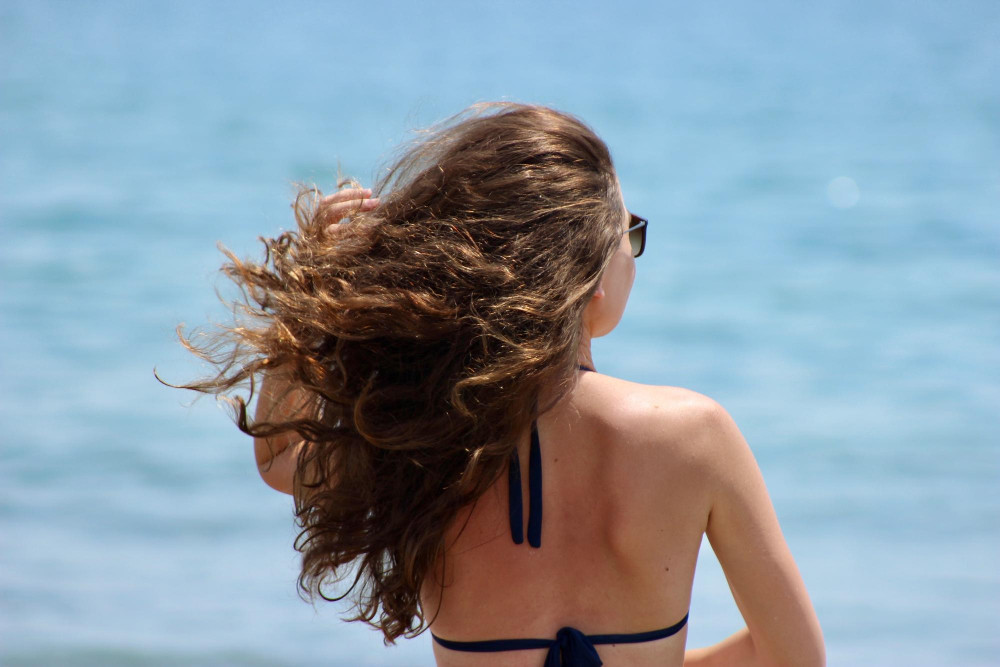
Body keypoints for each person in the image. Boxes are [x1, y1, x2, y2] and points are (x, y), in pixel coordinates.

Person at [175, 103, 825, 666]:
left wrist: (311, 285)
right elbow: (794, 656)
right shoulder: (696, 435)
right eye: (630, 233)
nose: (634, 251)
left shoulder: (428, 434)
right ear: (590, 273)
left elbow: (280, 458)